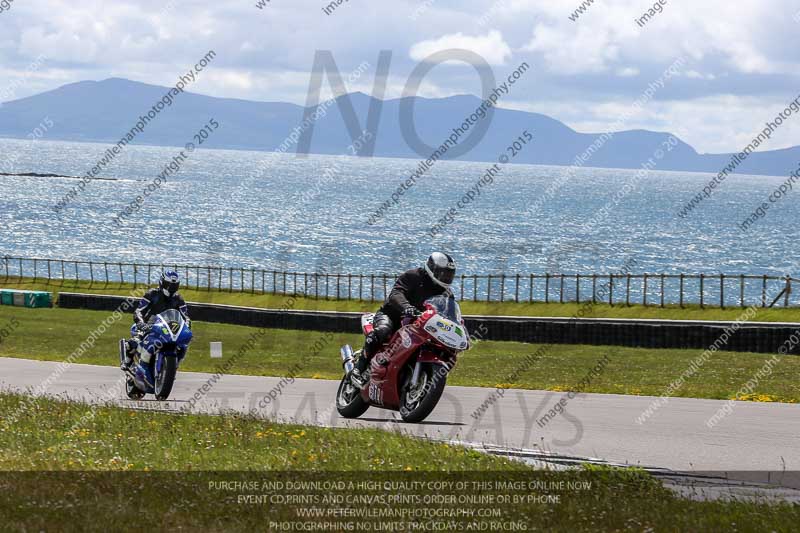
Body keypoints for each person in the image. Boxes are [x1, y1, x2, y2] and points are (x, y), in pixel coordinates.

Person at [351, 252, 456, 388]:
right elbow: (396, 293)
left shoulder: (446, 294)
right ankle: (359, 368)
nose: (446, 277)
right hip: (392, 315)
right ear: (432, 269)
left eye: (449, 274)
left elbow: (450, 314)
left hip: (419, 326)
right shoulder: (413, 276)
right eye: (443, 273)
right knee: (383, 331)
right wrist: (407, 307)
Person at [122, 271, 190, 381]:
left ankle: (172, 367)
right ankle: (128, 362)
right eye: (169, 285)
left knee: (183, 345)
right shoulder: (152, 294)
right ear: (162, 283)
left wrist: (186, 326)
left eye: (174, 285)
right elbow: (139, 311)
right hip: (149, 326)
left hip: (167, 329)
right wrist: (140, 323)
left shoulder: (179, 299)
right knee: (134, 342)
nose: (172, 288)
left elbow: (185, 316)